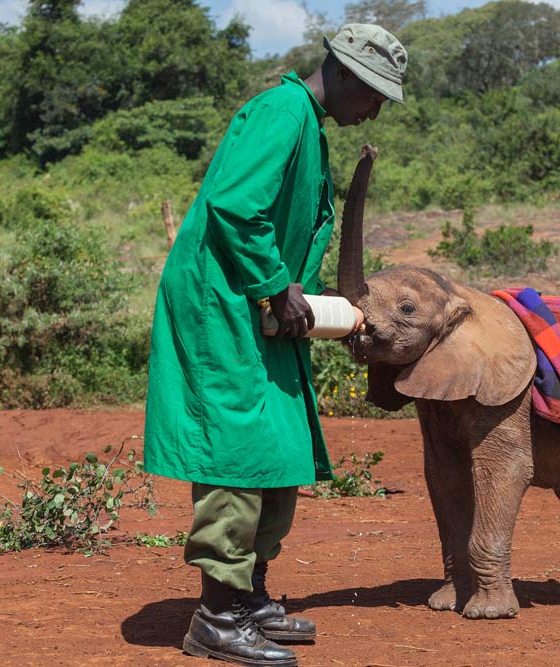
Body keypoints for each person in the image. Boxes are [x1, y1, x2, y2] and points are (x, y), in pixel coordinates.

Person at [142, 24, 408, 667]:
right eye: (371, 93)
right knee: (239, 449)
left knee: (280, 442)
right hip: (223, 306)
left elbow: (282, 229)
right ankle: (216, 615)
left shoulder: (307, 128)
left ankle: (250, 593)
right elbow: (235, 207)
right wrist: (273, 286)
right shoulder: (280, 112)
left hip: (259, 307)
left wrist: (317, 308)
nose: (373, 108)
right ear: (342, 72)